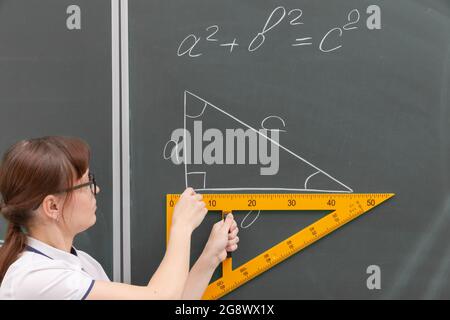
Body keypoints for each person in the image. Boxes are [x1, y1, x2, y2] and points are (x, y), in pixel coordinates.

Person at [0, 136, 239, 299]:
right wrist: (182, 227)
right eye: (85, 184)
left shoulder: (85, 265)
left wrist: (211, 256)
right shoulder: (33, 277)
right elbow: (159, 297)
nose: (96, 190)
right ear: (52, 206)